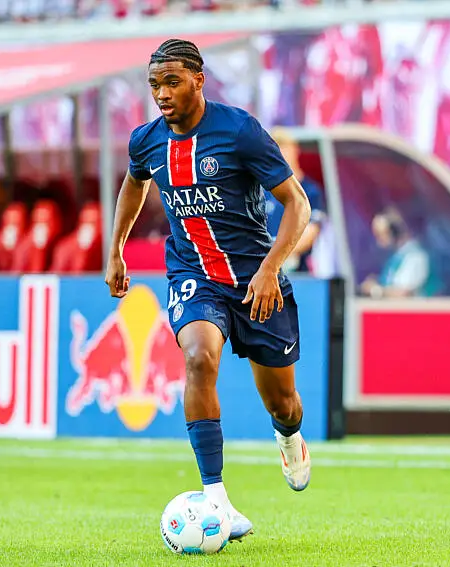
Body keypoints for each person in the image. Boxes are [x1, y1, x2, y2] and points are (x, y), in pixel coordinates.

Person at [105, 39, 312, 541]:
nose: (161, 93)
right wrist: (116, 249)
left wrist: (271, 268)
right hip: (193, 276)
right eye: (154, 84)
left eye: (171, 82)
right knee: (198, 358)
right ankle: (216, 499)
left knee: (283, 403)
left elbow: (298, 204)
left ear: (198, 79)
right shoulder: (146, 141)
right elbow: (134, 182)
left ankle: (289, 437)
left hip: (256, 281)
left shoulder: (239, 131)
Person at [264, 128, 326, 272]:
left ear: (295, 150)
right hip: (265, 269)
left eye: (285, 147)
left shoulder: (310, 190)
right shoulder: (263, 191)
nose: (281, 153)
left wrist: (278, 256)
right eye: (276, 149)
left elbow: (311, 231)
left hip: (297, 271)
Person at [360, 207, 439, 298]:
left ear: (395, 232)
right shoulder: (396, 256)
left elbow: (402, 293)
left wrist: (375, 290)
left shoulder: (415, 257)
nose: (378, 242)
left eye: (380, 235)